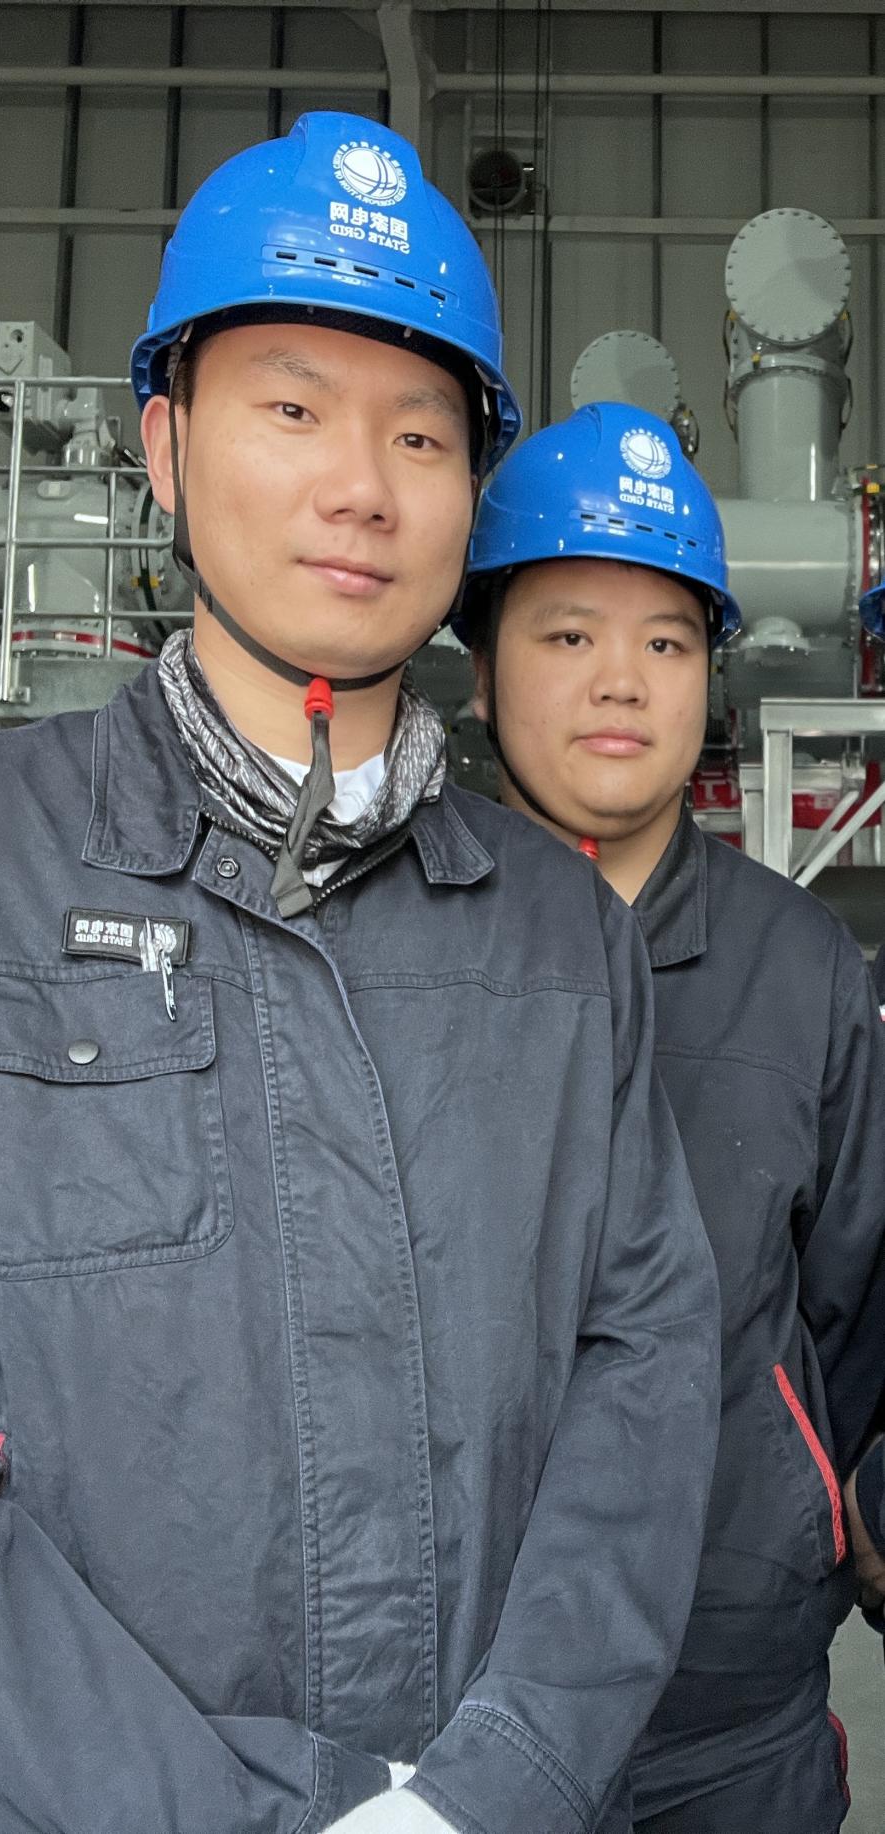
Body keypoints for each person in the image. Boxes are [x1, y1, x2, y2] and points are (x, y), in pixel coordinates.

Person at [0, 119, 719, 1834]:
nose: (363, 485)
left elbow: (641, 1375)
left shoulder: (559, 943)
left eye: (419, 432)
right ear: (165, 444)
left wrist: (493, 1787)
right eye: (291, 408)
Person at [461, 400, 885, 1834]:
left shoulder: (801, 968)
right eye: (568, 633)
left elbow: (856, 1307)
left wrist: (817, 1509)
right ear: (480, 670)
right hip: (452, 1709)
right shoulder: (395, 946)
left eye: (667, 642)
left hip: (733, 1705)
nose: (621, 682)